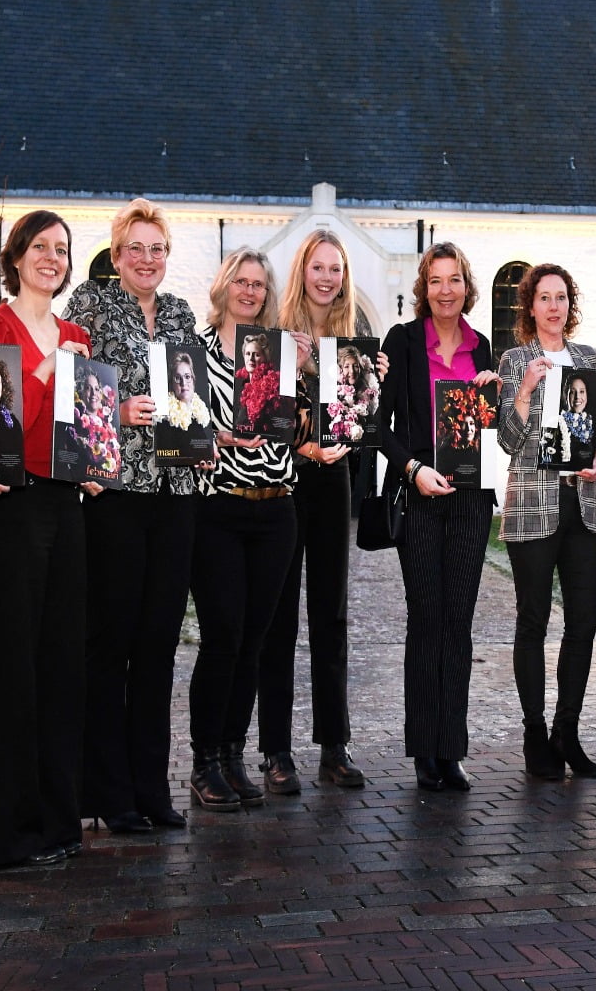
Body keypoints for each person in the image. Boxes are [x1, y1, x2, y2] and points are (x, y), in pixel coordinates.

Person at [64, 198, 201, 833]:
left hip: (174, 493)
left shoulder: (180, 314)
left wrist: (205, 432)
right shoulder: (90, 307)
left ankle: (152, 788)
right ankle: (108, 792)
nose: (148, 259)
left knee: (159, 644)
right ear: (116, 256)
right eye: (136, 249)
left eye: (157, 249)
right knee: (110, 643)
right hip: (114, 492)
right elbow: (67, 389)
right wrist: (115, 412)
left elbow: (192, 396)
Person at [0, 210, 93, 867]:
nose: (52, 257)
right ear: (16, 256)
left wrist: (98, 454)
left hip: (67, 504)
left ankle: (57, 822)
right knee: (14, 666)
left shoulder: (78, 335)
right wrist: (46, 371)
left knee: (63, 663)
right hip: (14, 506)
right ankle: (7, 835)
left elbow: (81, 430)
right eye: (40, 247)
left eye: (62, 249)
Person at [186, 247, 308, 811]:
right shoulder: (197, 350)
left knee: (254, 641)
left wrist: (306, 375)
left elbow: (303, 430)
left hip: (277, 510)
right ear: (224, 286)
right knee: (223, 638)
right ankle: (204, 760)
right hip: (221, 510)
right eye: (241, 281)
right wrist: (215, 437)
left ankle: (234, 753)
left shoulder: (279, 355)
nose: (250, 291)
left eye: (259, 284)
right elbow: (180, 426)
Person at [378, 242, 498, 791]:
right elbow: (378, 425)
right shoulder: (402, 343)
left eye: (454, 280)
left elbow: (488, 428)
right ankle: (425, 748)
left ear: (466, 287)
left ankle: (452, 749)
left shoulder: (482, 347)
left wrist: (496, 401)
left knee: (459, 624)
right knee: (426, 620)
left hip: (471, 501)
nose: (445, 291)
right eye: (435, 281)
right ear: (423, 289)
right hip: (421, 494)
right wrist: (413, 469)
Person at [258, 229, 365, 794]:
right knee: (279, 616)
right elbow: (263, 416)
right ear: (302, 271)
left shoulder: (353, 341)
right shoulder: (276, 335)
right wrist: (303, 444)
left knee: (332, 613)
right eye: (318, 267)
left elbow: (359, 423)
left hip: (334, 480)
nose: (327, 277)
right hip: (287, 477)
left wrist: (370, 387)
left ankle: (334, 745)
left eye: (335, 268)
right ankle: (275, 750)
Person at [497, 264, 596, 780]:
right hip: (531, 508)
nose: (554, 306)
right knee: (533, 622)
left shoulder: (588, 359)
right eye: (544, 297)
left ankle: (567, 731)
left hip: (581, 506)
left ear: (570, 304)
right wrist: (524, 391)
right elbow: (507, 440)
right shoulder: (515, 360)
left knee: (583, 623)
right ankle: (534, 733)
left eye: (561, 297)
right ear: (531, 306)